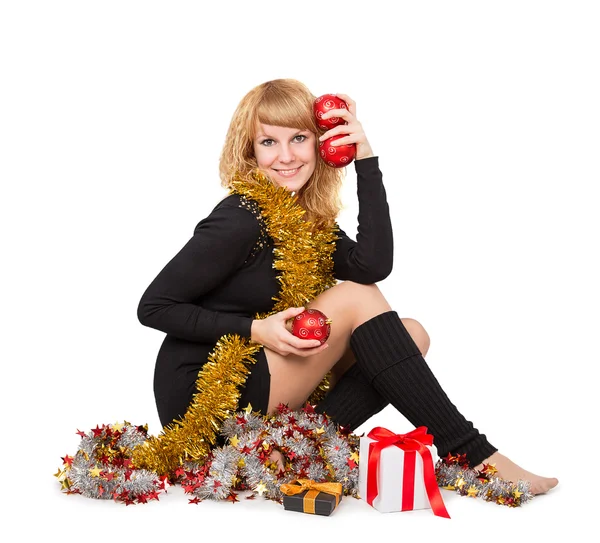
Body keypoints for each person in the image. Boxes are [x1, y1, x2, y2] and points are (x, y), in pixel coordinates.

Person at [137, 78, 558, 495]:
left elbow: (372, 265)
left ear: (322, 143)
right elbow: (153, 306)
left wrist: (366, 159)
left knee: (410, 335)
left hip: (262, 377)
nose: (285, 156)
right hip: (205, 395)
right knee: (357, 299)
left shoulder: (304, 219)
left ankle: (291, 450)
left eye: (299, 138)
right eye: (269, 142)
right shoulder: (240, 218)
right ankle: (472, 454)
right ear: (249, 151)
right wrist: (256, 328)